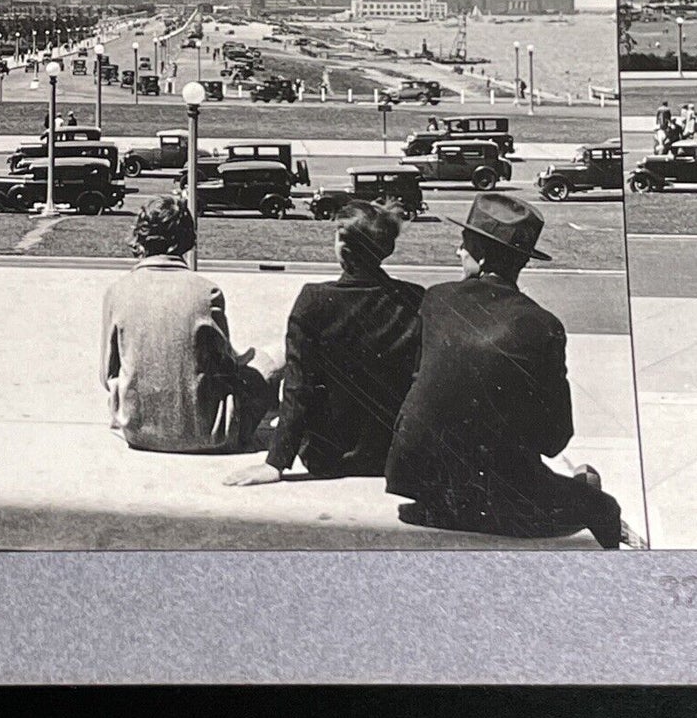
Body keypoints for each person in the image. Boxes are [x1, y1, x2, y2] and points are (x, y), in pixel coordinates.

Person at [384, 193, 624, 550]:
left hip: (422, 484)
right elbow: (555, 438)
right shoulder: (543, 325)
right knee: (603, 506)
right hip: (494, 497)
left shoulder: (436, 299)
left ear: (480, 257)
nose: (457, 252)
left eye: (463, 245)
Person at [224, 202, 423, 487]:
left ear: (343, 247)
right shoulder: (414, 299)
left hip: (326, 456)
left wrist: (275, 462)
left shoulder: (314, 301)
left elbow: (298, 387)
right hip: (388, 454)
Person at [100, 197, 281, 454]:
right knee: (274, 356)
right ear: (185, 239)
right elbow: (227, 365)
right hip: (209, 434)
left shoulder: (117, 291)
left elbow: (107, 375)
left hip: (139, 433)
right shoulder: (207, 291)